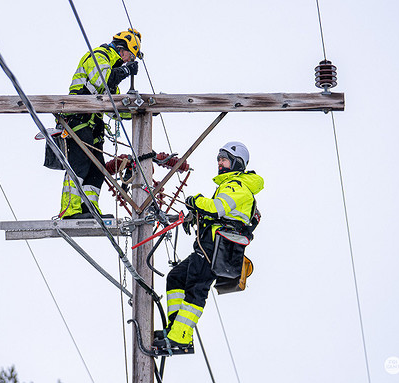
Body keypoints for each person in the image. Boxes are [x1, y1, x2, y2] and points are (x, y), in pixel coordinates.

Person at [154, 141, 264, 350]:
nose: (220, 164)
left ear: (237, 163)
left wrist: (195, 201)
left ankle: (182, 337)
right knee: (177, 276)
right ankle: (176, 329)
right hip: (210, 244)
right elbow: (220, 214)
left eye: (224, 160)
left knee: (197, 287)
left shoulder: (238, 186)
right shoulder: (229, 186)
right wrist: (195, 217)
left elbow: (216, 209)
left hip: (216, 246)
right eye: (219, 160)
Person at [58, 28, 142, 219]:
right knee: (80, 164)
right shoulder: (98, 56)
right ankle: (70, 210)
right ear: (123, 48)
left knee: (97, 169)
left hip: (94, 124)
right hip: (78, 119)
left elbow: (115, 109)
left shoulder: (112, 68)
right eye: (130, 55)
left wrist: (139, 112)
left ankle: (89, 208)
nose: (129, 60)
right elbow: (101, 80)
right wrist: (125, 71)